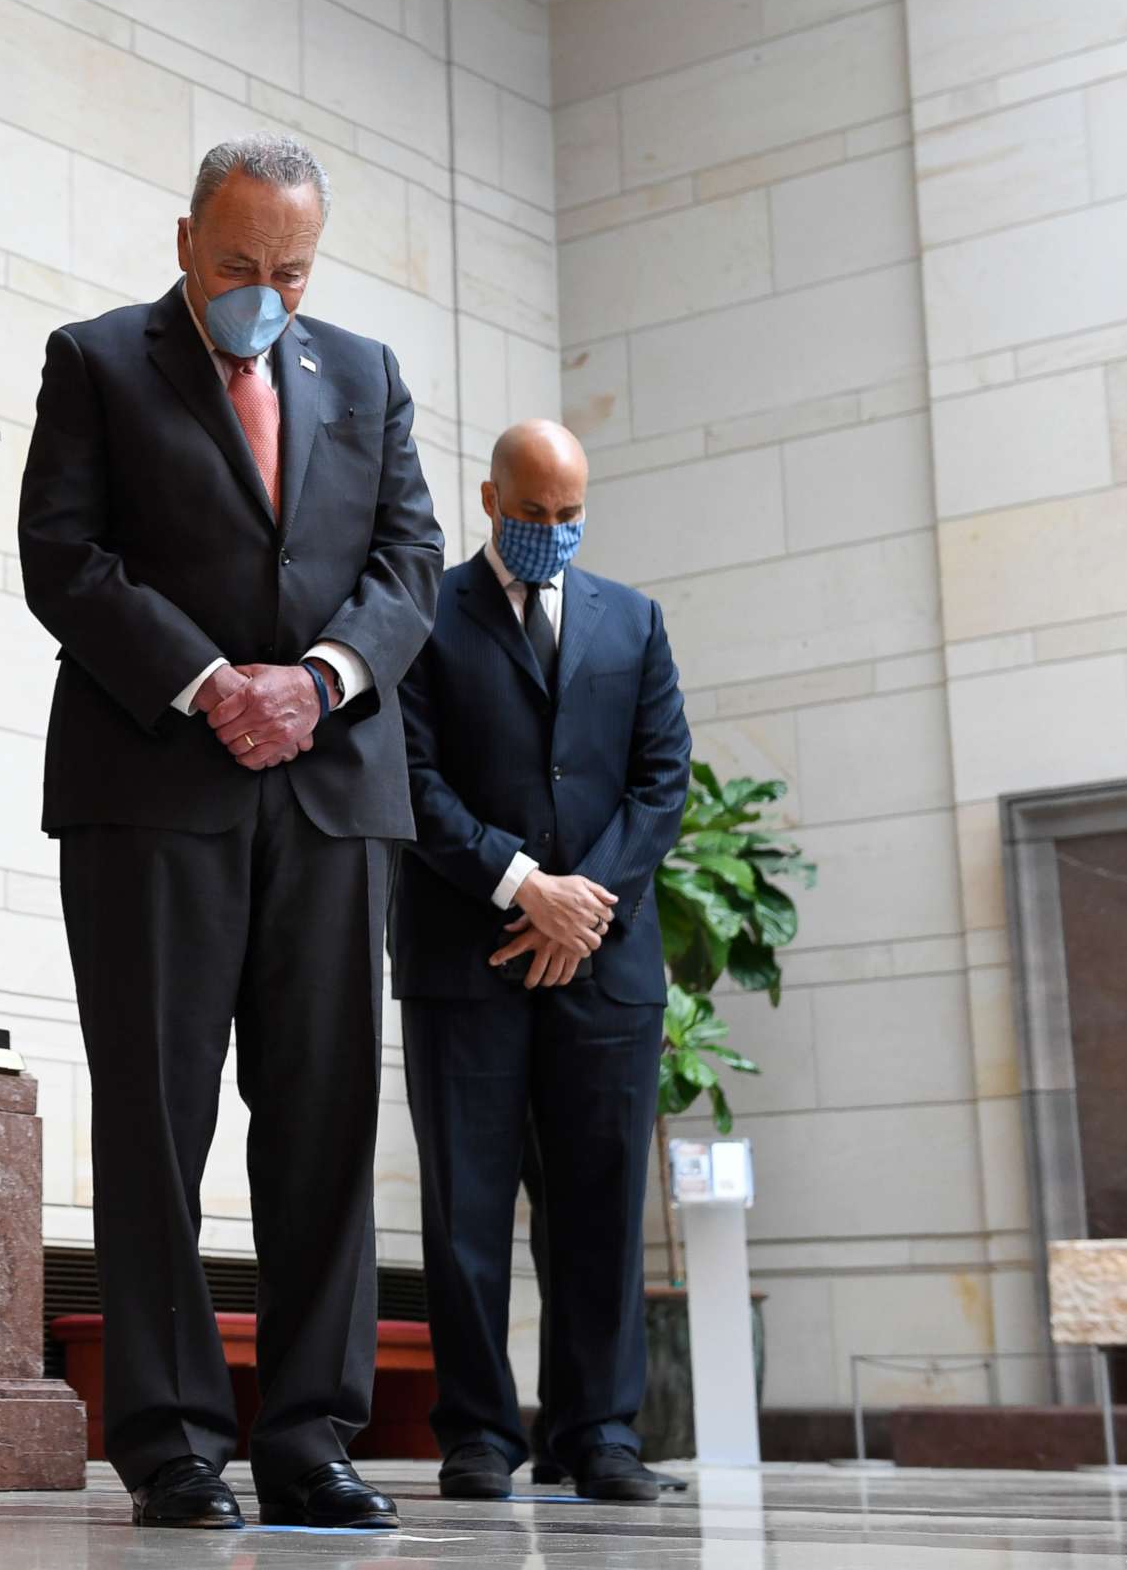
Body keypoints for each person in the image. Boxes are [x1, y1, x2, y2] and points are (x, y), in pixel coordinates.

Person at [17, 133, 444, 1530]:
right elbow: (65, 560)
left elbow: (409, 561)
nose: (267, 291)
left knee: (322, 1121)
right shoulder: (97, 360)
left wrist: (317, 681)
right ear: (188, 238)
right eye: (241, 265)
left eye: (292, 270)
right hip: (155, 785)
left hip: (331, 793)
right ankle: (173, 1441)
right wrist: (213, 684)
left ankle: (312, 1438)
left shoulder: (366, 376)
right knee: (157, 1119)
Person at [393, 419, 691, 1504]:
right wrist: (528, 889)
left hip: (605, 968)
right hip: (466, 957)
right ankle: (479, 1435)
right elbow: (413, 784)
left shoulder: (637, 621)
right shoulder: (424, 614)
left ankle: (601, 1436)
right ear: (488, 500)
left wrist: (585, 909)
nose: (553, 535)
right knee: (466, 1206)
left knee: (602, 1204)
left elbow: (662, 782)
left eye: (570, 518)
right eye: (532, 516)